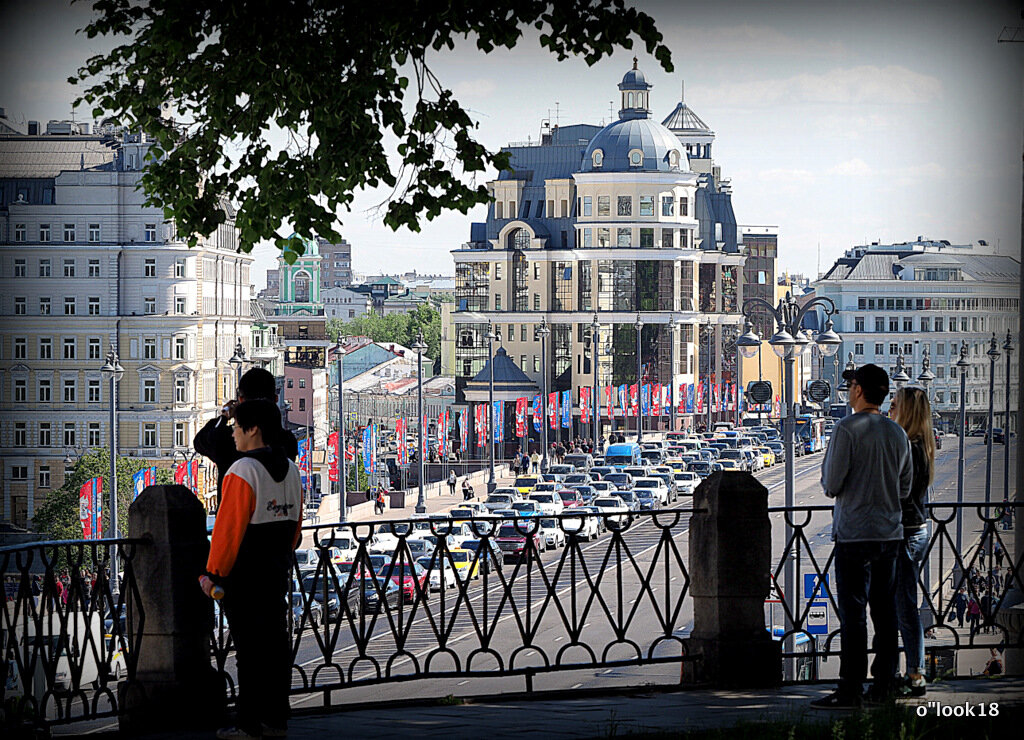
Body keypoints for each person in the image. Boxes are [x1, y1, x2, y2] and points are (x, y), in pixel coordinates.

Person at [811, 364, 912, 710]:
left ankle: (850, 687)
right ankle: (885, 683)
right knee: (886, 614)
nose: (849, 389)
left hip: (854, 534)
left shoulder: (846, 429)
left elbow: (832, 483)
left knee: (853, 615)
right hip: (890, 534)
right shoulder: (897, 433)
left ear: (858, 390)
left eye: (851, 384)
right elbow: (905, 487)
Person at [199, 399, 301, 739]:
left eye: (237, 428)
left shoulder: (242, 471)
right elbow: (296, 533)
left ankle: (248, 724)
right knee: (274, 648)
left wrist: (212, 574)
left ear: (253, 429)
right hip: (276, 573)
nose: (234, 436)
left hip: (244, 578)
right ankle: (276, 720)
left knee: (249, 652)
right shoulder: (291, 468)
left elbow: (228, 531)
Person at [194, 367, 299, 506]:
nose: (234, 432)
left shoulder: (231, 443)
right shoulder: (288, 441)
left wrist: (224, 416)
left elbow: (200, 441)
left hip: (238, 518)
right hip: (277, 519)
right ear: (275, 399)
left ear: (241, 400)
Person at [889, 386, 934, 697]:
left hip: (905, 531)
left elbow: (901, 493)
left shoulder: (908, 446)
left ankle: (914, 673)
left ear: (906, 411)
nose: (890, 409)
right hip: (915, 528)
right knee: (902, 603)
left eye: (894, 405)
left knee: (904, 605)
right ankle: (909, 671)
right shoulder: (922, 444)